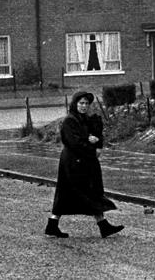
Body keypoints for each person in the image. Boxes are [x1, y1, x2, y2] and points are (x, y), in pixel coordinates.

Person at [45, 91, 124, 239]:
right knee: (75, 192)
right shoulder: (70, 120)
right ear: (75, 104)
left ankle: (54, 224)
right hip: (73, 162)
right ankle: (54, 224)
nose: (84, 106)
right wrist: (90, 143)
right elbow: (73, 142)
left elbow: (95, 133)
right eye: (81, 103)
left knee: (85, 192)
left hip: (83, 161)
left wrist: (96, 141)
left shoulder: (84, 119)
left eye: (86, 103)